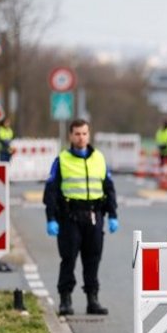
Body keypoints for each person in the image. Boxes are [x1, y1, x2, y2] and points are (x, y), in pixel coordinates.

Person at [44, 119, 119, 316]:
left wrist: (113, 214)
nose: (81, 137)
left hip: (94, 216)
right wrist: (51, 218)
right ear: (70, 136)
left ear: (89, 135)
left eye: (84, 133)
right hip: (70, 218)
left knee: (93, 259)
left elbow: (108, 188)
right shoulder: (62, 160)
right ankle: (65, 299)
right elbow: (50, 192)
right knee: (68, 259)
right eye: (77, 134)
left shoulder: (99, 159)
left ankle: (92, 299)